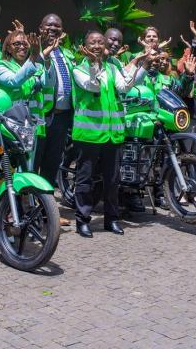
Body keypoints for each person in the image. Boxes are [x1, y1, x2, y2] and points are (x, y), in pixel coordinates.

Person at [70, 31, 143, 237]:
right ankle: (82, 220)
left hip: (113, 135)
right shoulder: (78, 68)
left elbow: (124, 87)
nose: (96, 46)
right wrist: (94, 66)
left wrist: (139, 64)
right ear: (85, 46)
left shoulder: (112, 67)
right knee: (85, 180)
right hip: (89, 135)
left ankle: (111, 219)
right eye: (92, 42)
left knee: (112, 180)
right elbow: (92, 87)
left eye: (100, 43)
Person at [0, 30, 58, 147]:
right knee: (11, 165)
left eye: (25, 44)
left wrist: (46, 58)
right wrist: (34, 56)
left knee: (33, 165)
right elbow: (14, 81)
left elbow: (49, 83)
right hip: (11, 126)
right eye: (17, 44)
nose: (22, 47)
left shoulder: (35, 65)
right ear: (8, 48)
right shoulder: (0, 65)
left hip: (33, 126)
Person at [36, 14, 79, 187]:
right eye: (49, 25)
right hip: (40, 115)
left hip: (62, 117)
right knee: (33, 161)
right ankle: (25, 204)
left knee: (52, 163)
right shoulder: (32, 50)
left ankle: (46, 204)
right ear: (41, 29)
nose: (53, 29)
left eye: (57, 27)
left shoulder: (67, 54)